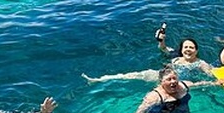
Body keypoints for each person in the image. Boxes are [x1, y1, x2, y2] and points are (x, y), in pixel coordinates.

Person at [82, 36, 214, 83]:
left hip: (178, 84)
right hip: (161, 77)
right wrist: (161, 39)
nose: (188, 50)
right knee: (133, 75)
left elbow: (211, 73)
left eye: (191, 47)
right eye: (186, 47)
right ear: (181, 49)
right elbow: (163, 48)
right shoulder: (176, 57)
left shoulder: (200, 63)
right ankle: (100, 80)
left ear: (196, 50)